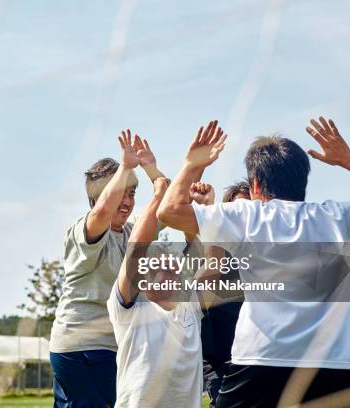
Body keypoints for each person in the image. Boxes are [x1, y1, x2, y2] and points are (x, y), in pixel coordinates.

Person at [156, 118, 350, 407]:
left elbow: (169, 211)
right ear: (303, 180)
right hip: (330, 362)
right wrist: (348, 160)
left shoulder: (246, 216)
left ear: (256, 185)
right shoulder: (338, 217)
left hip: (260, 358)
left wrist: (192, 164)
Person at [49, 130, 165, 407]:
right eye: (119, 193)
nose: (126, 201)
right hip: (81, 349)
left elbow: (167, 202)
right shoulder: (83, 230)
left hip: (113, 348)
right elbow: (101, 213)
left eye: (132, 193)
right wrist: (125, 167)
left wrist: (151, 168)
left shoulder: (131, 230)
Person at [107, 176, 204, 408]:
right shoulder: (131, 309)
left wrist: (191, 197)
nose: (171, 268)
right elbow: (136, 248)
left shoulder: (189, 306)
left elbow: (200, 254)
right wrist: (159, 195)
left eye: (173, 264)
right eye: (160, 265)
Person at [189, 180, 250, 408]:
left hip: (257, 360)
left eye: (249, 208)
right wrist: (207, 208)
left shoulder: (268, 254)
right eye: (236, 209)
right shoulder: (214, 251)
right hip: (220, 364)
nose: (242, 215)